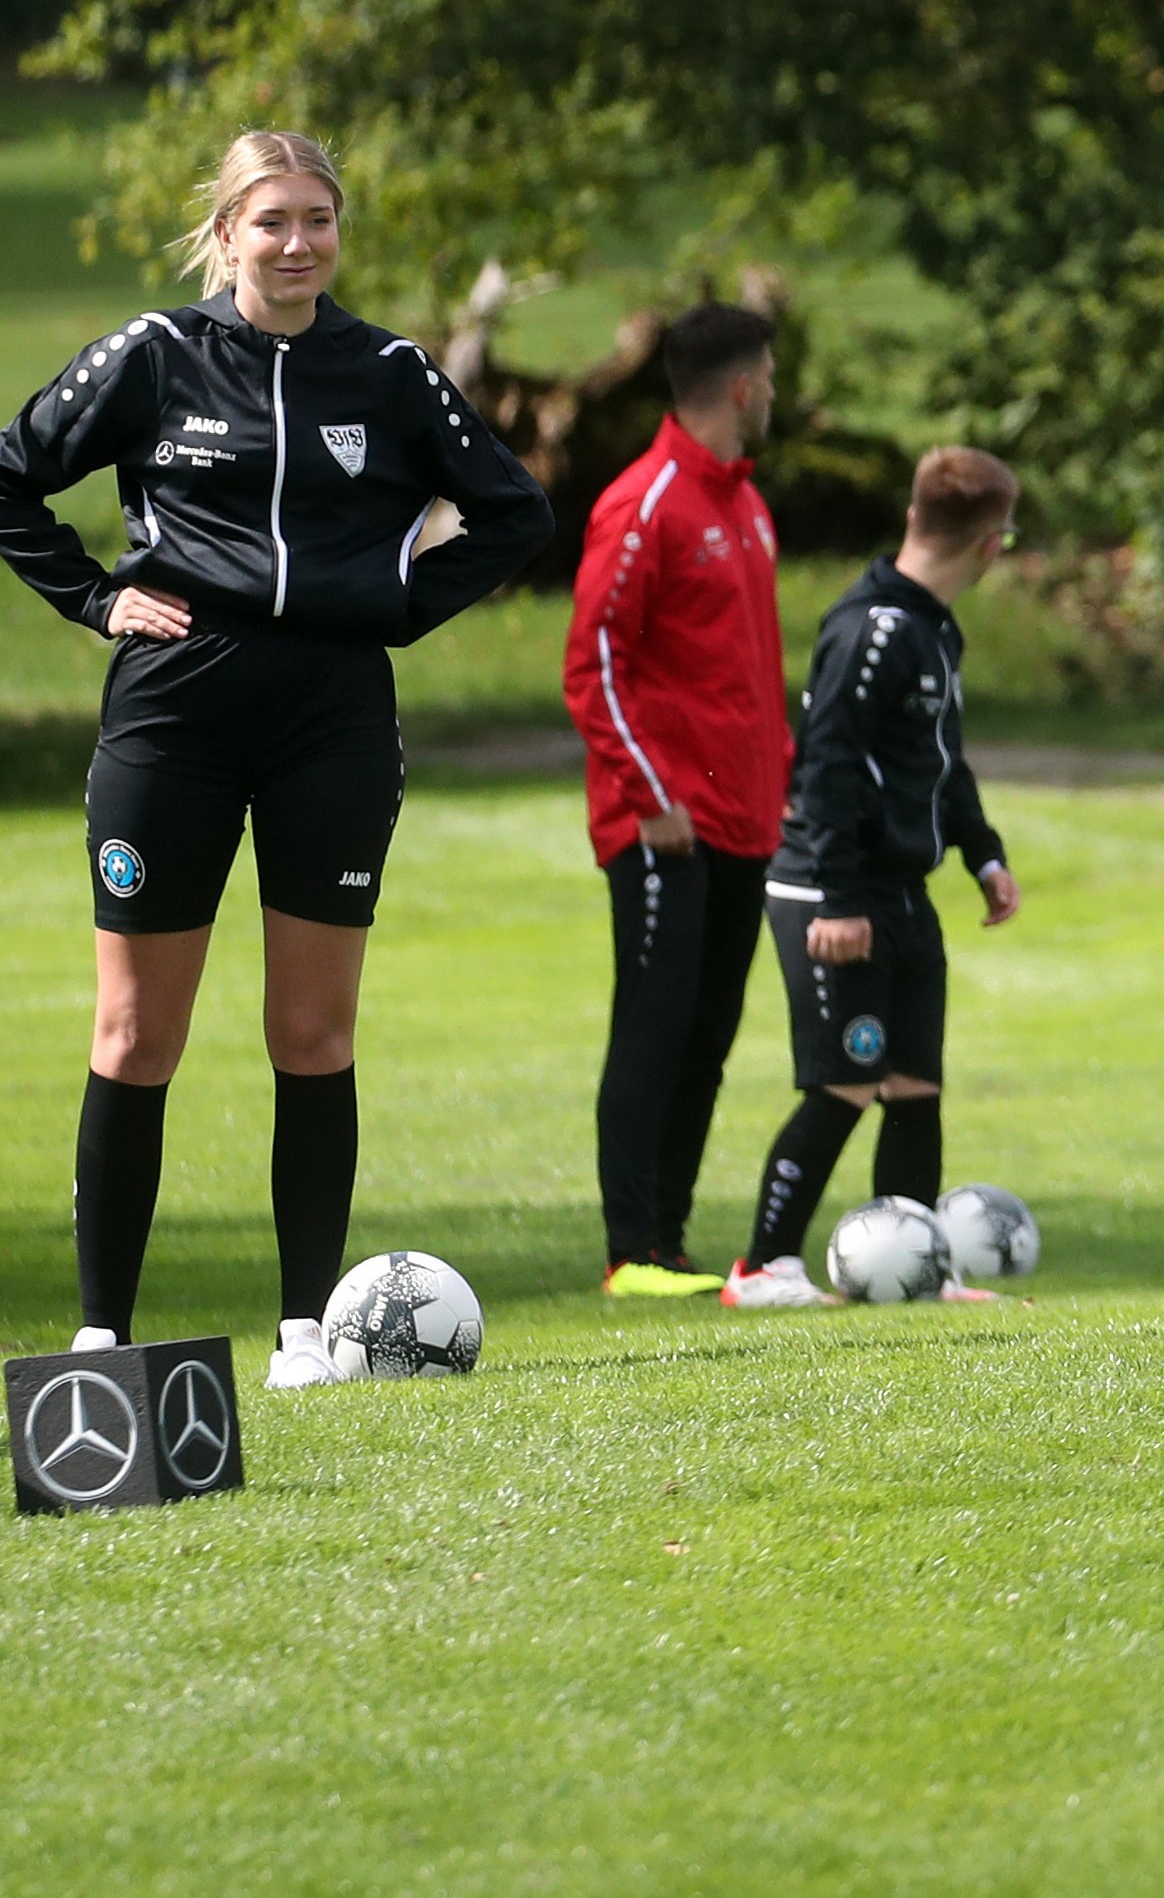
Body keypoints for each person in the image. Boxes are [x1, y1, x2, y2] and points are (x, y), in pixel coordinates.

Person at [0, 130, 553, 1382]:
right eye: (273, 221)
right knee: (136, 1032)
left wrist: (396, 603)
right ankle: (101, 1335)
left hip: (333, 723)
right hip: (172, 716)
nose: (298, 243)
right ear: (229, 232)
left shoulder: (391, 372)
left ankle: (310, 1332)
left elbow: (516, 511)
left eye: (319, 220)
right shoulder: (156, 354)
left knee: (313, 1032)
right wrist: (94, 599)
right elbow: (8, 476)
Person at [722, 448, 1024, 1309]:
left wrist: (984, 853)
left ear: (912, 520)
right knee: (846, 1081)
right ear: (992, 544)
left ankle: (920, 1271)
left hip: (902, 893)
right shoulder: (870, 629)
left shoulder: (931, 624)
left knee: (913, 1086)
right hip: (833, 896)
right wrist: (844, 898)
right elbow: (829, 764)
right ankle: (763, 1267)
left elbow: (940, 761)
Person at [565, 304, 792, 1298]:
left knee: (709, 1033)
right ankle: (631, 1252)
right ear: (741, 385)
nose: (777, 394)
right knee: (654, 1025)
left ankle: (671, 1240)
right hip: (664, 825)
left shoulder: (745, 504)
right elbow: (593, 664)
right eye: (772, 378)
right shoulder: (646, 501)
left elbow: (749, 672)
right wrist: (649, 795)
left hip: (744, 823)